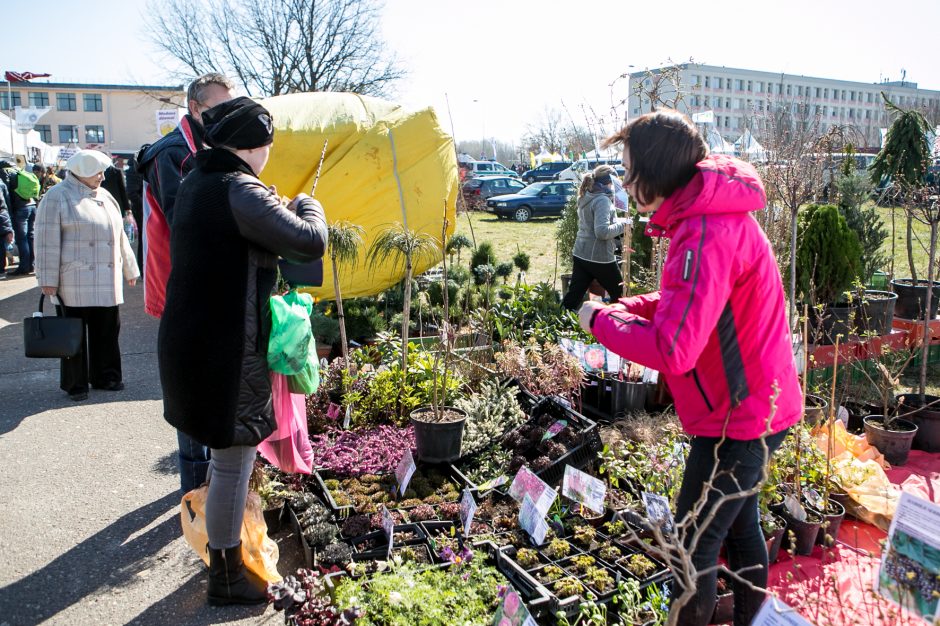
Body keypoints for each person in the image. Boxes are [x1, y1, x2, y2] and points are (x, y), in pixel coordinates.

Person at [577, 110, 801, 626]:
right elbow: (693, 300)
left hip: (737, 421)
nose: (626, 181)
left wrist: (599, 321)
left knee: (692, 548)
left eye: (630, 169)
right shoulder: (707, 218)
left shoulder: (703, 231)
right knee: (741, 528)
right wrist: (631, 308)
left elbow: (675, 348)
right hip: (755, 408)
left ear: (654, 172)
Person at [158, 97, 327, 605]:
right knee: (233, 460)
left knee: (221, 457)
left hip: (191, 342)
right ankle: (227, 577)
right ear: (257, 148)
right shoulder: (236, 188)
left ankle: (225, 560)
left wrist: (267, 204)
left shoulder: (197, 180)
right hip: (225, 352)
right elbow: (310, 241)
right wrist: (305, 205)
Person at [137, 72, 235, 494]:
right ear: (195, 108)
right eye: (218, 108)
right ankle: (196, 489)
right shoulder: (172, 153)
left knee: (208, 383)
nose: (224, 116)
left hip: (202, 281)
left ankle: (211, 482)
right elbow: (186, 224)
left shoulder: (205, 145)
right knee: (190, 388)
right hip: (182, 285)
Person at [35, 150, 140, 402]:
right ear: (81, 170)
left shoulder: (105, 196)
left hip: (106, 279)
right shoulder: (56, 197)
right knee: (73, 335)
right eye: (98, 172)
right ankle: (76, 383)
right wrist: (47, 280)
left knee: (107, 331)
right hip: (74, 280)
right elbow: (45, 242)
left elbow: (120, 238)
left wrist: (130, 268)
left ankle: (107, 376)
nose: (103, 177)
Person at [561, 164, 630, 310]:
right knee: (620, 295)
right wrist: (624, 224)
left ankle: (557, 326)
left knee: (573, 297)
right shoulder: (602, 201)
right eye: (614, 183)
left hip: (581, 253)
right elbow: (602, 232)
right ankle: (618, 325)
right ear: (608, 182)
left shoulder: (586, 195)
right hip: (599, 256)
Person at [1, 160, 39, 276]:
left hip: (20, 209)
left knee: (21, 239)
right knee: (30, 236)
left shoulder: (4, 172)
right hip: (31, 205)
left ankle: (24, 267)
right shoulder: (19, 171)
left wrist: (10, 212)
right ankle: (32, 265)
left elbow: (5, 194)